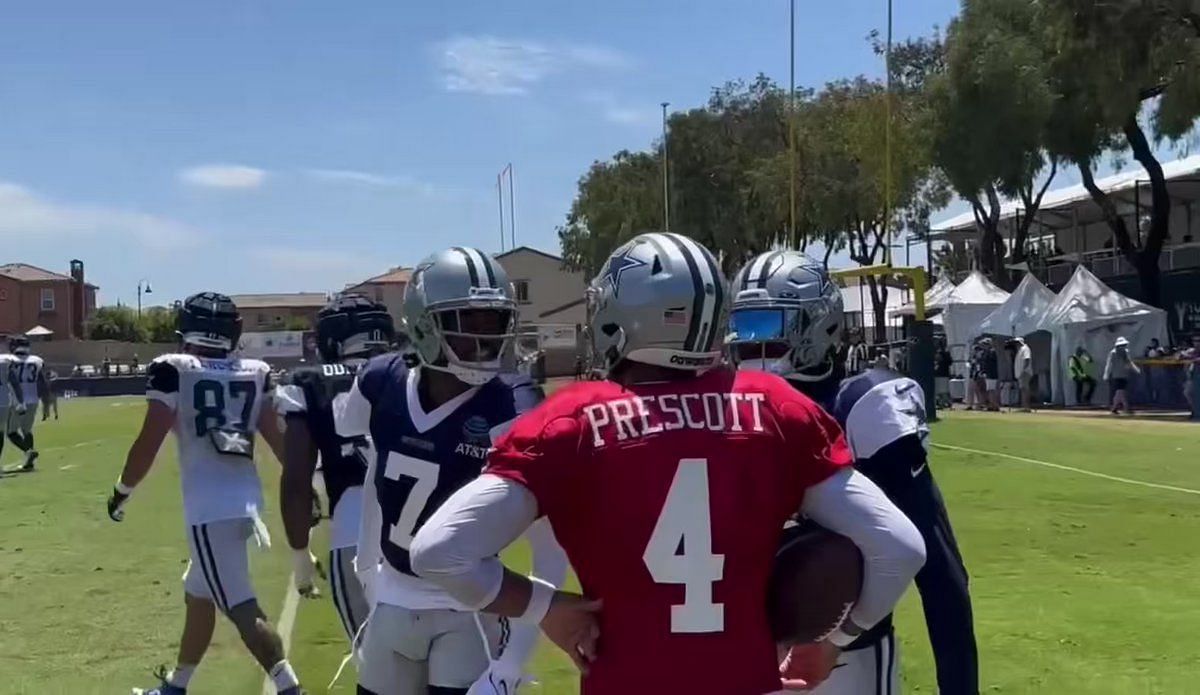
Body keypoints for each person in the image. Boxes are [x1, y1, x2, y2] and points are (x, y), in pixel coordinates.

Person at [409, 236, 926, 695]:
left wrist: (547, 608)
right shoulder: (775, 407)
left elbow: (440, 553)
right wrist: (834, 640)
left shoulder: (572, 420)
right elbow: (900, 549)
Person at [727, 250, 978, 695]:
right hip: (742, 651)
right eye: (742, 326)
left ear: (819, 325)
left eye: (765, 326)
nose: (750, 344)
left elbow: (940, 572)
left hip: (845, 660)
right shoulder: (720, 410)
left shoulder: (860, 406)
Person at [334, 247, 567, 695]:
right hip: (393, 597)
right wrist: (367, 571)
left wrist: (511, 666)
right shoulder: (381, 382)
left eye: (494, 324)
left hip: (470, 609)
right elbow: (377, 474)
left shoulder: (512, 407)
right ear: (424, 325)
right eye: (467, 325)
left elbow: (550, 547)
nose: (485, 343)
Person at [105, 292, 306, 695]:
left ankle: (289, 687)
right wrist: (303, 485)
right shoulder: (255, 370)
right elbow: (278, 439)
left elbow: (150, 438)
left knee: (240, 605)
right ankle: (176, 687)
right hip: (244, 505)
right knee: (198, 591)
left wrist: (123, 489)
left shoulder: (173, 368)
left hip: (210, 511)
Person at [275, 294, 396, 643]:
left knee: (378, 670)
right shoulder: (416, 368)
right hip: (428, 527)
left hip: (356, 530)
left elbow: (297, 480)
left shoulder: (311, 381)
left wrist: (300, 555)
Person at [6, 336, 52, 471]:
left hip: (16, 400)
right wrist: (46, 403)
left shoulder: (8, 360)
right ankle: (29, 462)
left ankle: (28, 451)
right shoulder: (37, 361)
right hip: (33, 399)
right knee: (27, 431)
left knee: (11, 432)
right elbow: (43, 384)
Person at [1104, 336, 1141, 415]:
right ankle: (1125, 407)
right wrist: (1106, 374)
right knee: (1120, 392)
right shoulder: (1115, 353)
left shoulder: (1118, 352)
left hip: (1121, 375)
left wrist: (1106, 374)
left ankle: (1115, 408)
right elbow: (1109, 364)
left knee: (1120, 392)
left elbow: (1129, 362)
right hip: (1119, 375)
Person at [1012, 337, 1034, 411]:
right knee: (1022, 389)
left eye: (1017, 343)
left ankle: (1026, 407)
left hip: (1024, 372)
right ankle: (1023, 406)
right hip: (1020, 373)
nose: (1016, 344)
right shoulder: (1020, 350)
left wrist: (1023, 370)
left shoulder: (1025, 348)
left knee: (1025, 389)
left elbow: (1027, 359)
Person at [981, 338, 1000, 411]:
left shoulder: (991, 352)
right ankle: (991, 405)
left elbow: (989, 364)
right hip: (989, 374)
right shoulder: (987, 352)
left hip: (992, 374)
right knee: (989, 389)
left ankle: (994, 405)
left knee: (992, 390)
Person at [934, 338, 952, 408]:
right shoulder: (936, 352)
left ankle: (946, 403)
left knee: (943, 390)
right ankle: (941, 402)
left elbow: (950, 362)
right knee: (939, 390)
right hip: (938, 373)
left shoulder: (945, 353)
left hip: (943, 373)